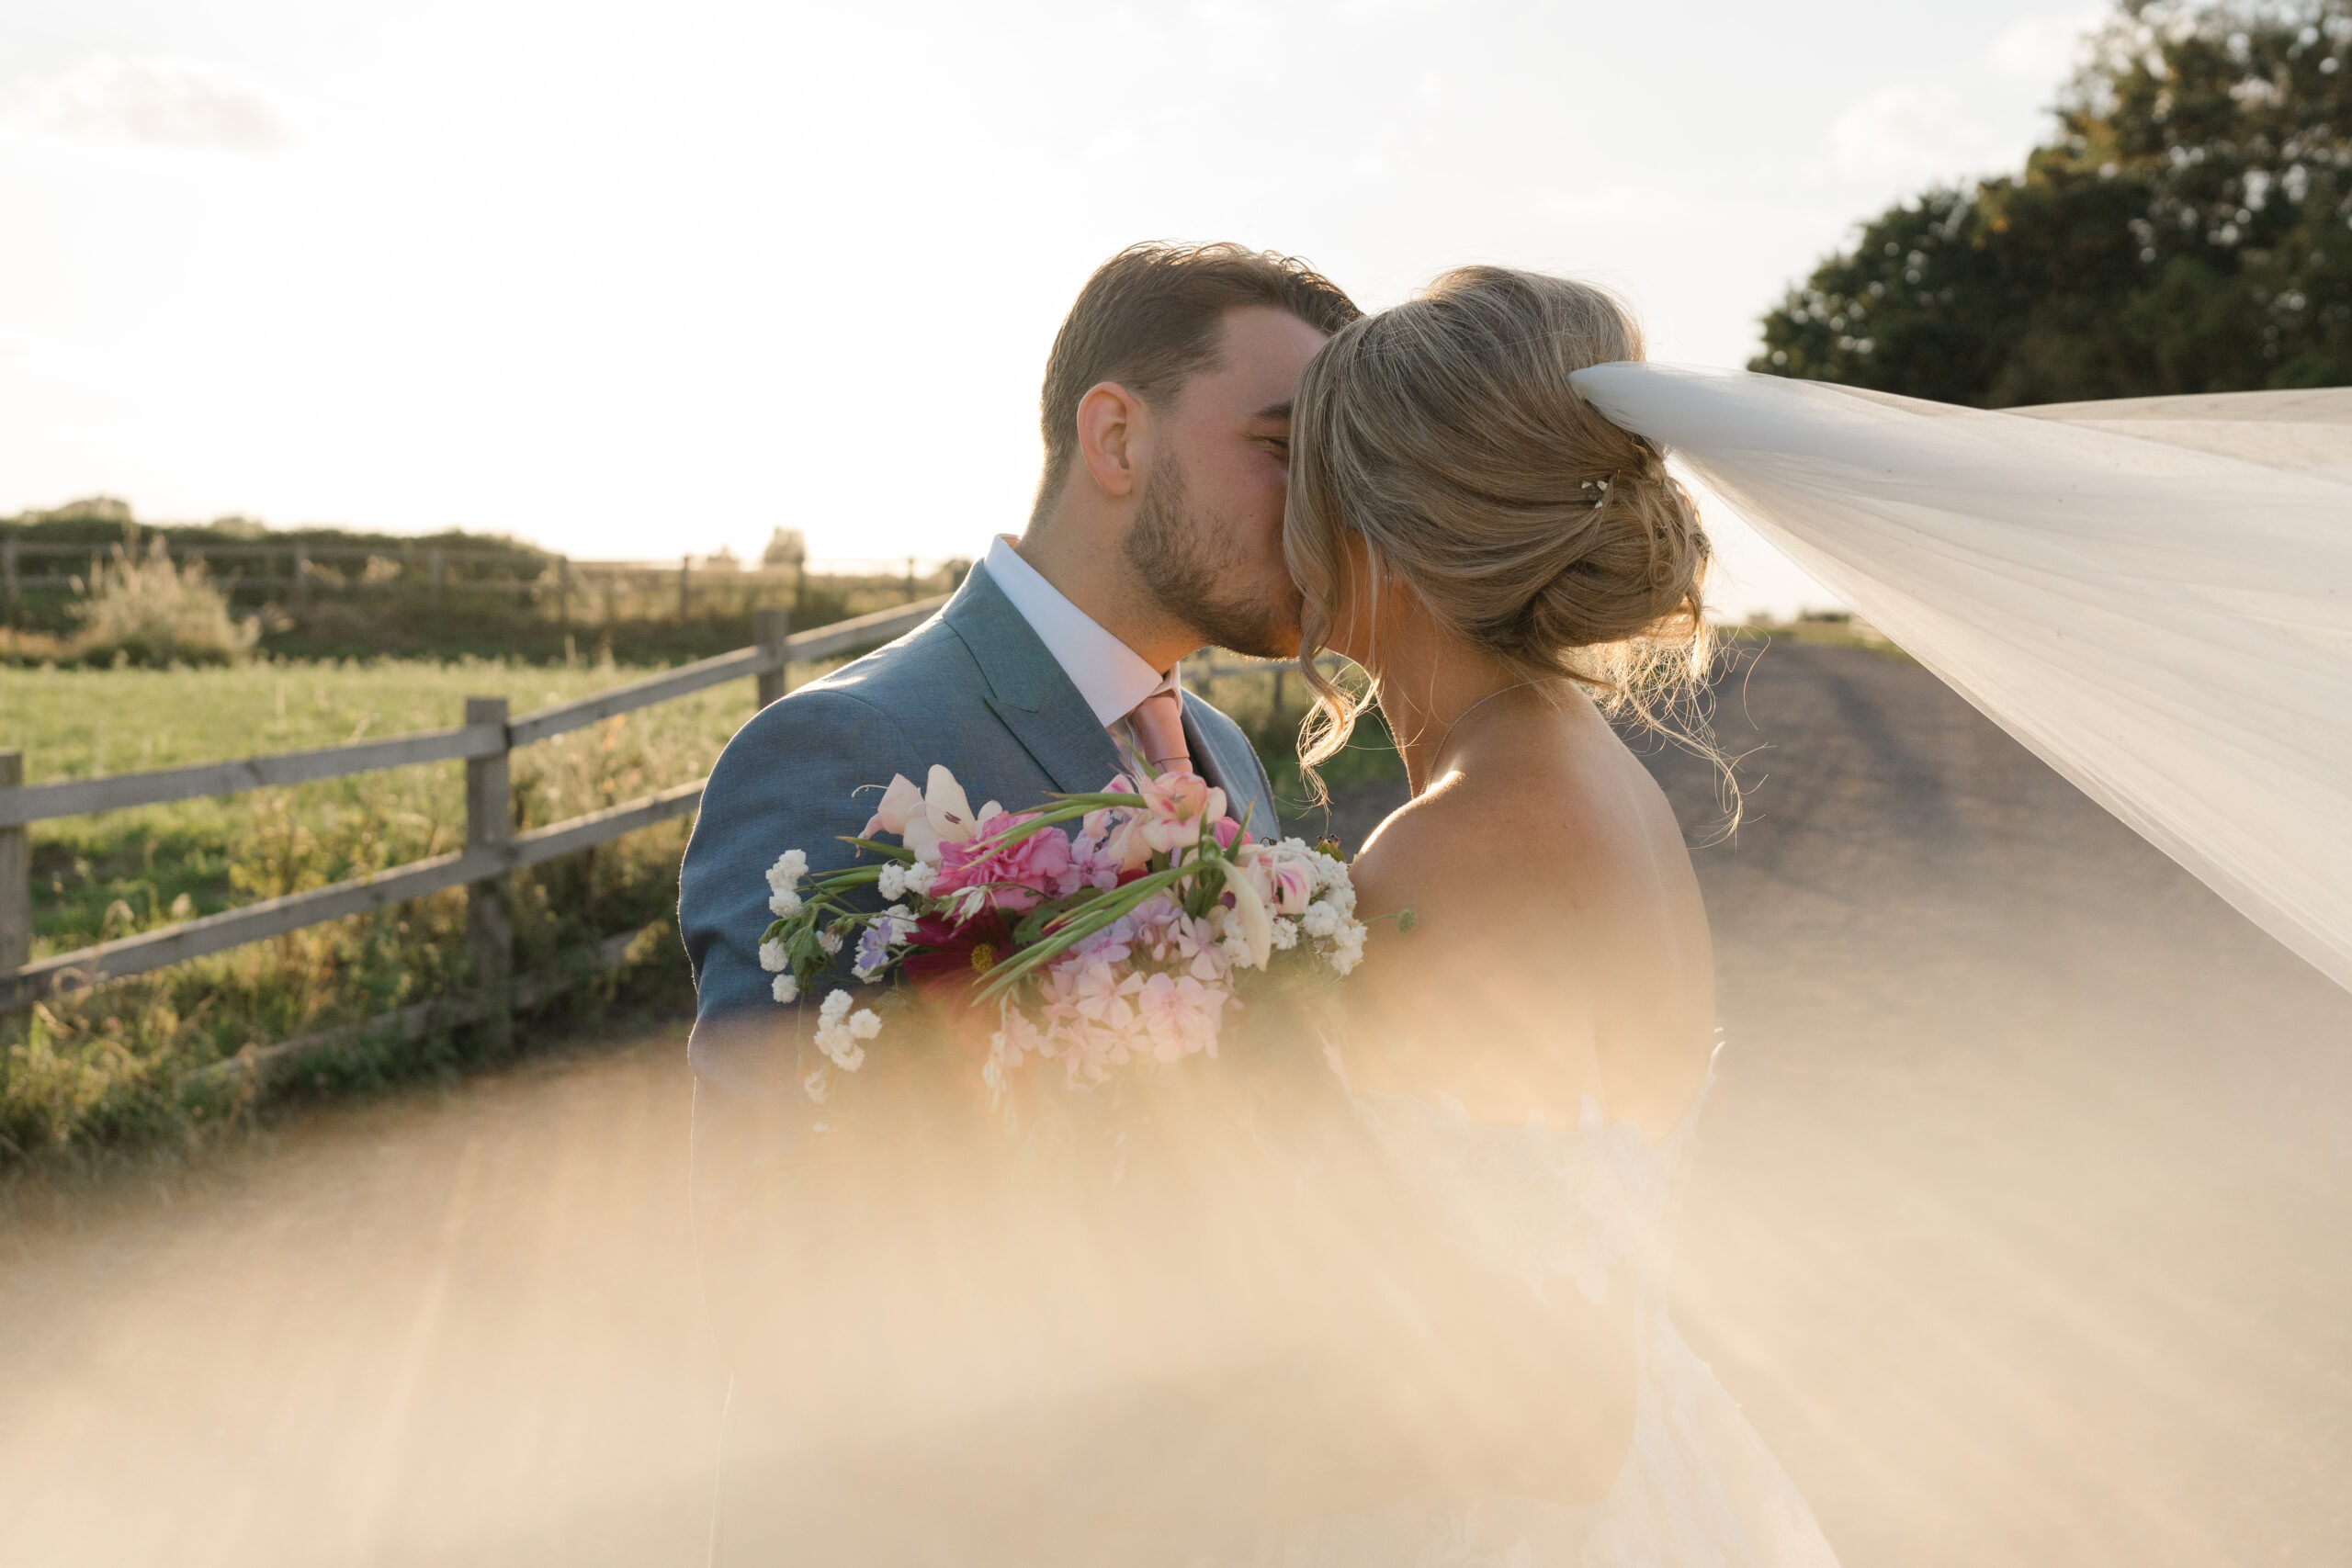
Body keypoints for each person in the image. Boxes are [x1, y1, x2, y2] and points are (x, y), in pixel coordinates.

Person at [675, 241, 1363, 1562]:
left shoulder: (1219, 757)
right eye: (1286, 451)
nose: (1328, 518)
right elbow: (786, 1282)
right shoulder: (839, 754)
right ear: (1116, 437)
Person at [1256, 264, 1841, 1562]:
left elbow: (1432, 1311)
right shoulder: (1582, 775)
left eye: (1301, 471)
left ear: (1378, 534)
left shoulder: (1466, 844)